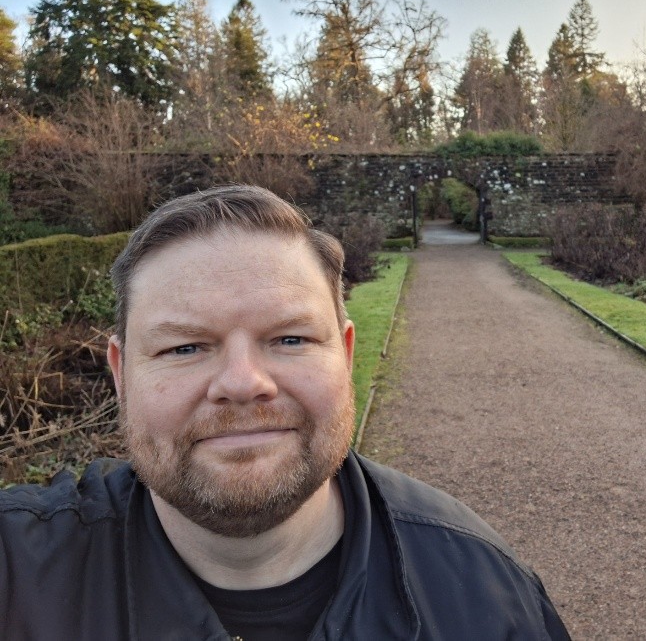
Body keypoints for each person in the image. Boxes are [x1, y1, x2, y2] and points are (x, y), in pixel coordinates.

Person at [0, 185, 570, 640]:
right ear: (121, 375)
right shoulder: (16, 572)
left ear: (346, 355)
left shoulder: (487, 599)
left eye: (291, 339)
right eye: (185, 347)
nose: (243, 383)